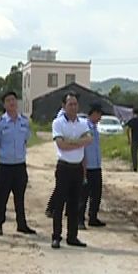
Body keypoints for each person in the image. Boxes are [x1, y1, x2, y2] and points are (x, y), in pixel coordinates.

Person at [0, 91, 37, 237]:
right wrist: (5, 154)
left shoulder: (24, 121)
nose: (12, 103)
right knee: (1, 197)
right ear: (4, 104)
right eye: (8, 100)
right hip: (5, 166)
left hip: (20, 166)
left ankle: (21, 224)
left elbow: (26, 139)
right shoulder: (0, 123)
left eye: (14, 100)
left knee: (20, 197)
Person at [50, 93, 92, 249]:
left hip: (77, 168)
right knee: (59, 204)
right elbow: (61, 144)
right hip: (64, 167)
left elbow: (89, 140)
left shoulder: (83, 123)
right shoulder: (58, 123)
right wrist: (79, 142)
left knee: (75, 204)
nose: (73, 107)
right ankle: (56, 236)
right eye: (70, 104)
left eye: (75, 104)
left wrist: (72, 142)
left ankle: (72, 236)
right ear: (64, 106)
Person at [78, 103, 106, 229]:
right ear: (94, 113)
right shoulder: (84, 127)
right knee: (83, 195)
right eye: (99, 115)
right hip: (86, 167)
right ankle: (79, 220)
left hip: (96, 166)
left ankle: (93, 217)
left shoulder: (95, 128)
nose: (100, 118)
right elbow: (82, 148)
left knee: (96, 193)